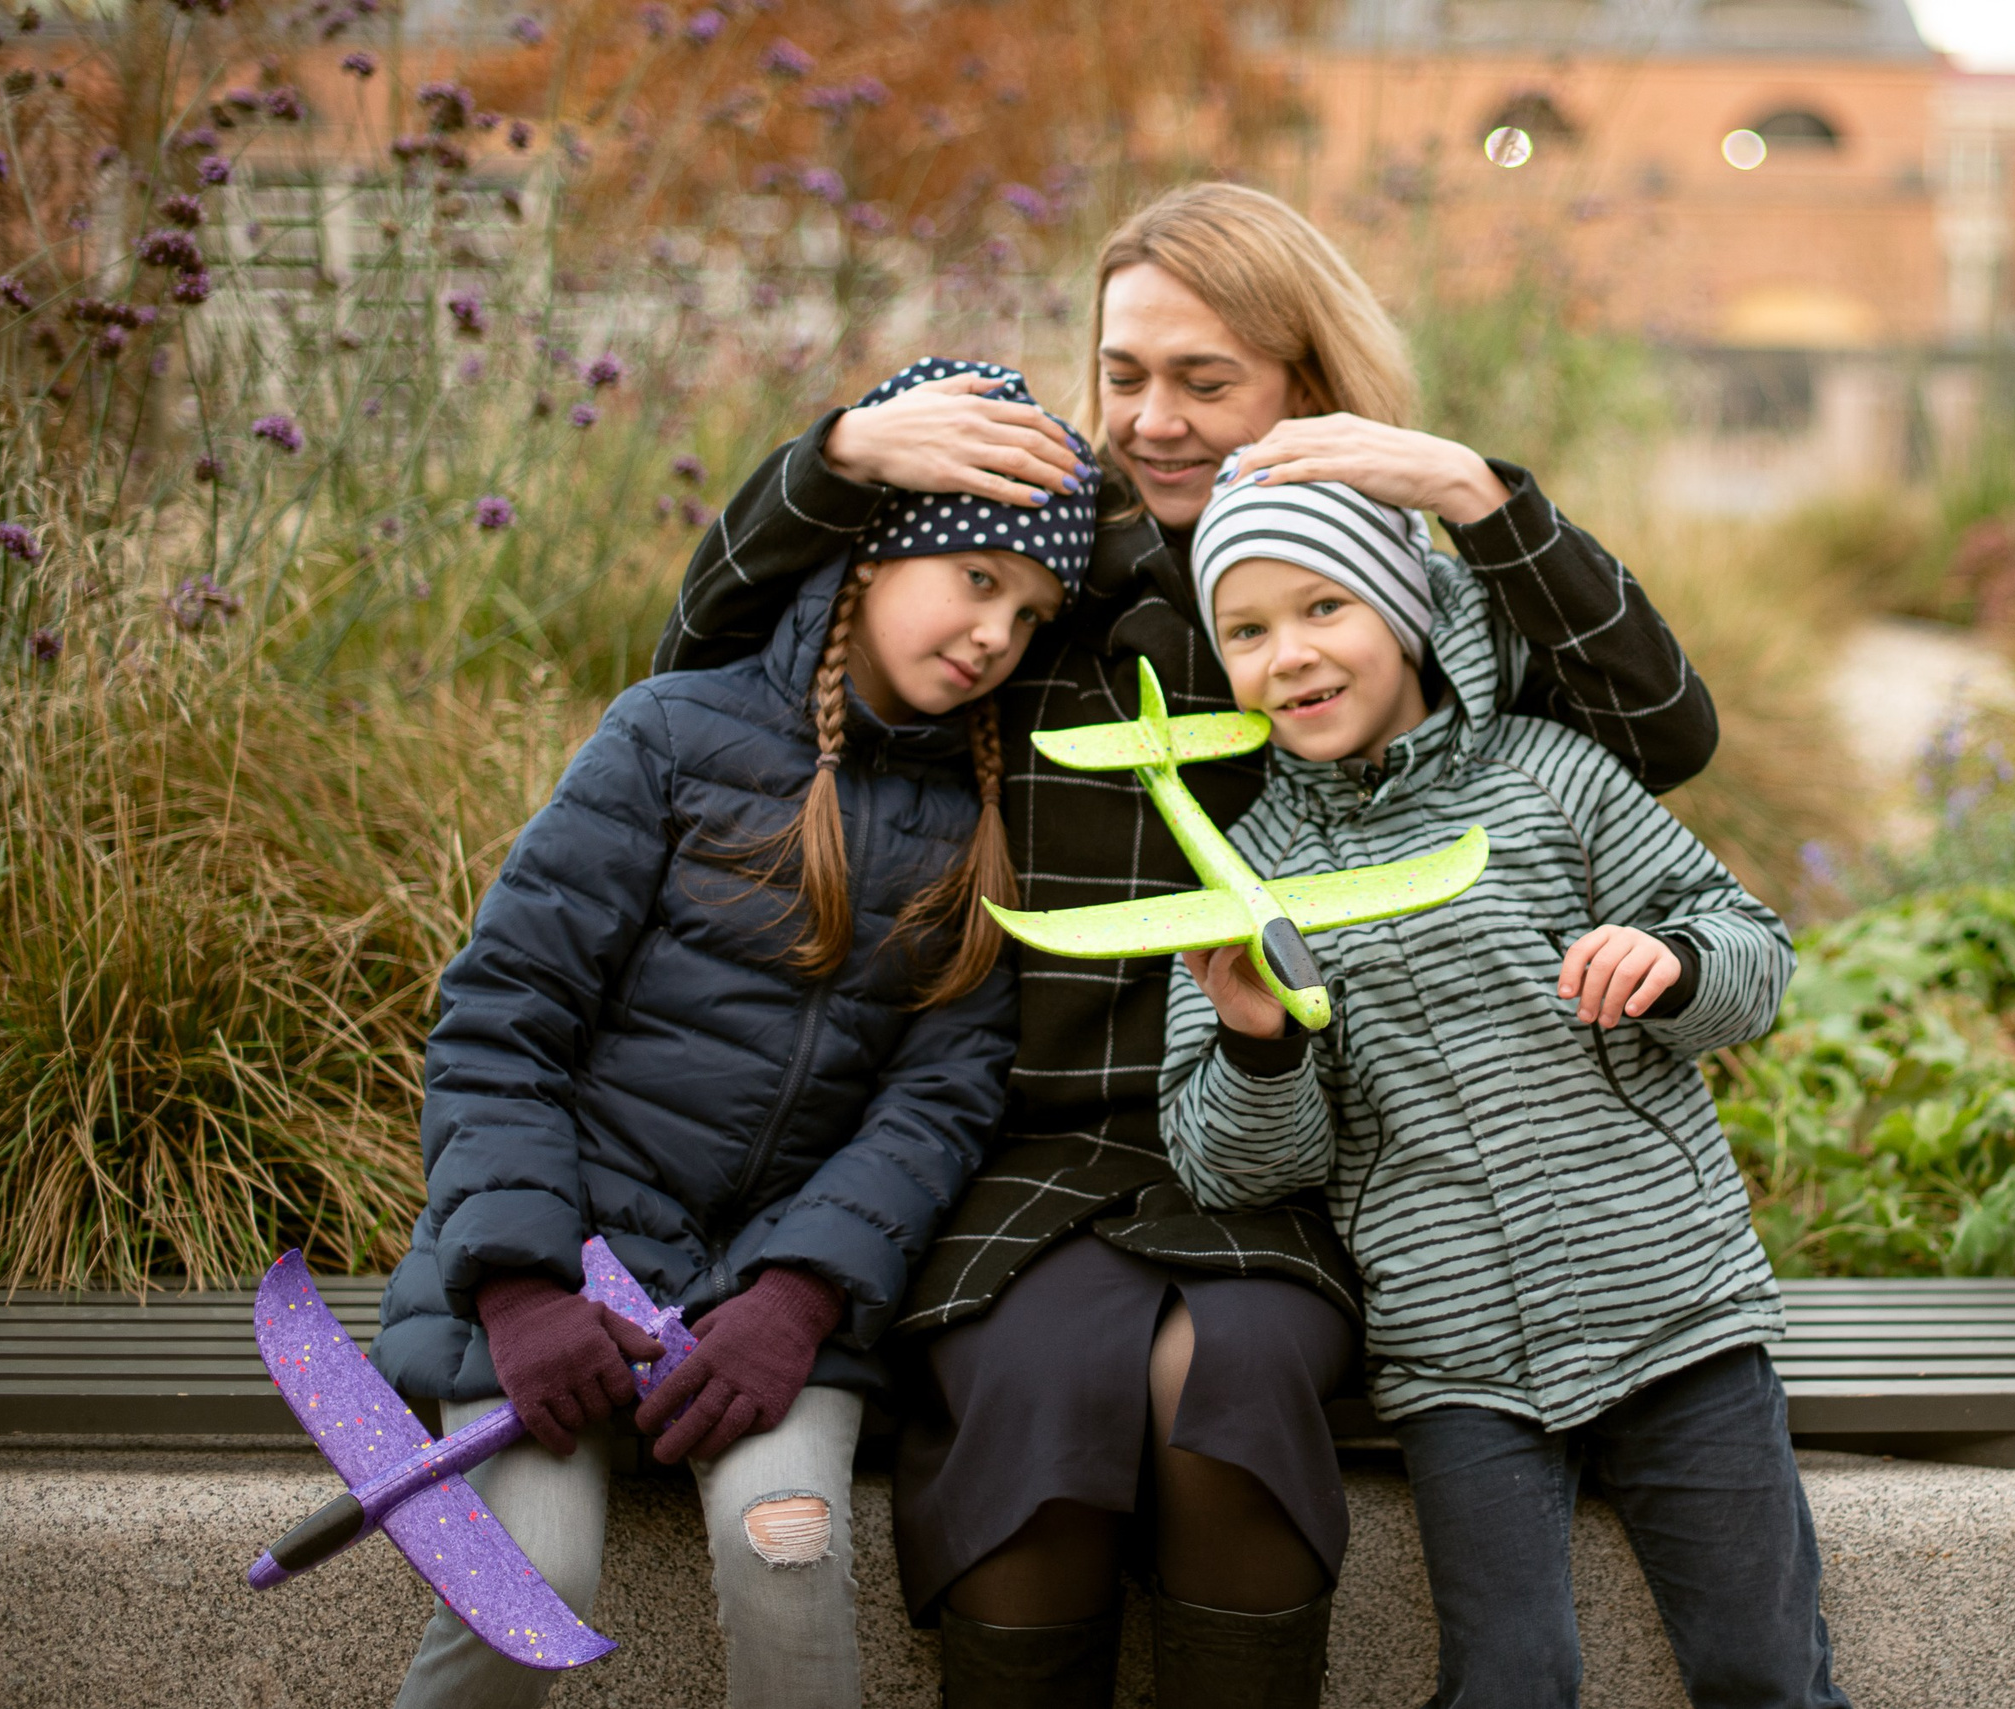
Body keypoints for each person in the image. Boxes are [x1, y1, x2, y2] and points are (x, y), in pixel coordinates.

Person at [655, 182, 1724, 1709]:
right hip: (1020, 1143)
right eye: (1126, 373)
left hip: (1286, 1140)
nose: (1154, 420)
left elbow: (1657, 736)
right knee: (1037, 1400)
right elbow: (711, 683)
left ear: (1305, 385)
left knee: (1220, 1391)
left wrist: (1482, 494)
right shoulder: (1030, 554)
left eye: (1206, 382)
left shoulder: (1371, 574)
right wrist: (831, 464)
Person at [369, 358, 1096, 1709]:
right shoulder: (671, 736)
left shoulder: (995, 828)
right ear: (870, 561)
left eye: (1031, 611)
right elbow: (500, 1020)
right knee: (528, 1575)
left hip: (778, 1294)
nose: (998, 633)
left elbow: (938, 1103)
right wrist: (524, 1284)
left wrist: (799, 1299)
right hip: (560, 1254)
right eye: (976, 579)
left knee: (785, 1546)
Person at [1159, 468, 1848, 1709]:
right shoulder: (1241, 866)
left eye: (1326, 608)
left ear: (1407, 607)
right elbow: (1230, 1164)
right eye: (1246, 630)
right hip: (1457, 1347)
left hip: (1673, 1305)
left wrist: (1674, 961)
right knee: (1510, 1681)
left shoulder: (1549, 774)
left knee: (1762, 1668)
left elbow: (1751, 945)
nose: (1289, 655)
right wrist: (1259, 1043)